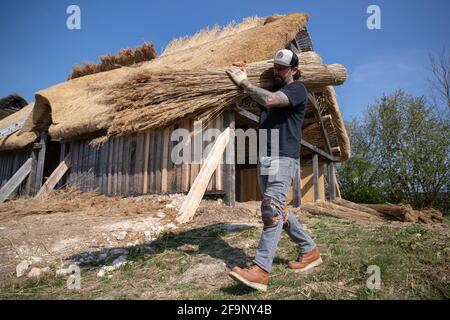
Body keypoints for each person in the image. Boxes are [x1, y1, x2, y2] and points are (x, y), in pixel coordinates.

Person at [225, 49, 322, 292]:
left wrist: (244, 82)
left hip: (283, 157)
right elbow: (259, 99)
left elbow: (269, 100)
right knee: (278, 209)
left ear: (294, 70)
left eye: (283, 67)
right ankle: (310, 250)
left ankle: (260, 269)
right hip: (265, 158)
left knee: (270, 208)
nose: (277, 71)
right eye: (275, 67)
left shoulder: (298, 90)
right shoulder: (271, 91)